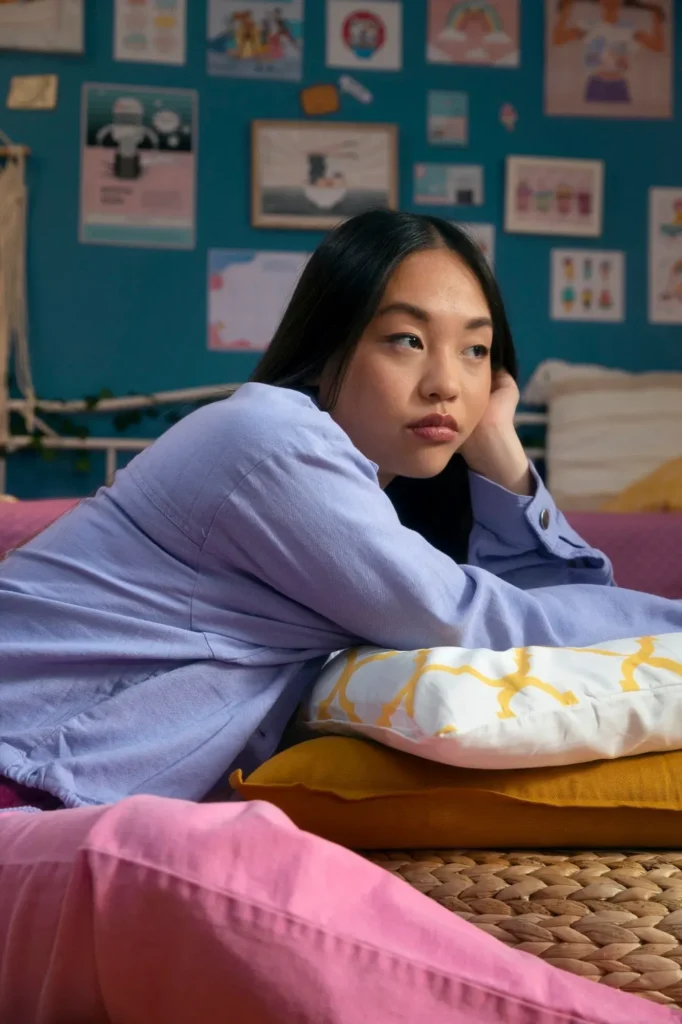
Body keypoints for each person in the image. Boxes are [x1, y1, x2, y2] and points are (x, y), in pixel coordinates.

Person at [1, 210, 681, 1022]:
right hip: (22, 789)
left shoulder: (369, 502)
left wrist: (498, 445)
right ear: (329, 346)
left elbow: (526, 629)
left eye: (476, 350)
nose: (447, 383)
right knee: (194, 861)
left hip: (42, 811)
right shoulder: (267, 438)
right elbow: (476, 620)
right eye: (406, 340)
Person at [552, 0, 665, 105]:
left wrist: (656, 19)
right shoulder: (589, 26)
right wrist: (565, 12)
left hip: (619, 86)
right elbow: (557, 39)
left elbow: (658, 46)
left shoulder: (630, 30)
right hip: (596, 85)